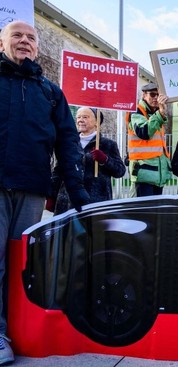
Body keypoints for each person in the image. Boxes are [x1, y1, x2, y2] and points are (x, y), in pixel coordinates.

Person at [0, 20, 90, 364]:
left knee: (23, 265)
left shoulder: (50, 92)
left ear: (37, 47)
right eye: (17, 36)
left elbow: (68, 146)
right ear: (2, 43)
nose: (25, 41)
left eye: (30, 38)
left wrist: (79, 193)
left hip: (32, 191)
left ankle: (17, 328)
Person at [48, 108, 126, 214]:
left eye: (85, 117)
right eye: (78, 117)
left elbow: (120, 171)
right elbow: (58, 171)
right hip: (68, 202)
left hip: (96, 202)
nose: (80, 120)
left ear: (97, 122)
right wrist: (51, 195)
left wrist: (105, 160)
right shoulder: (69, 143)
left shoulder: (108, 144)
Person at [126, 82, 172, 197]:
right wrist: (160, 113)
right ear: (144, 95)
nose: (156, 98)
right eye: (152, 94)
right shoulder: (136, 111)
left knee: (154, 213)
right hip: (143, 174)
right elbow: (144, 132)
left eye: (158, 95)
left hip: (156, 174)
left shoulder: (155, 114)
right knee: (141, 212)